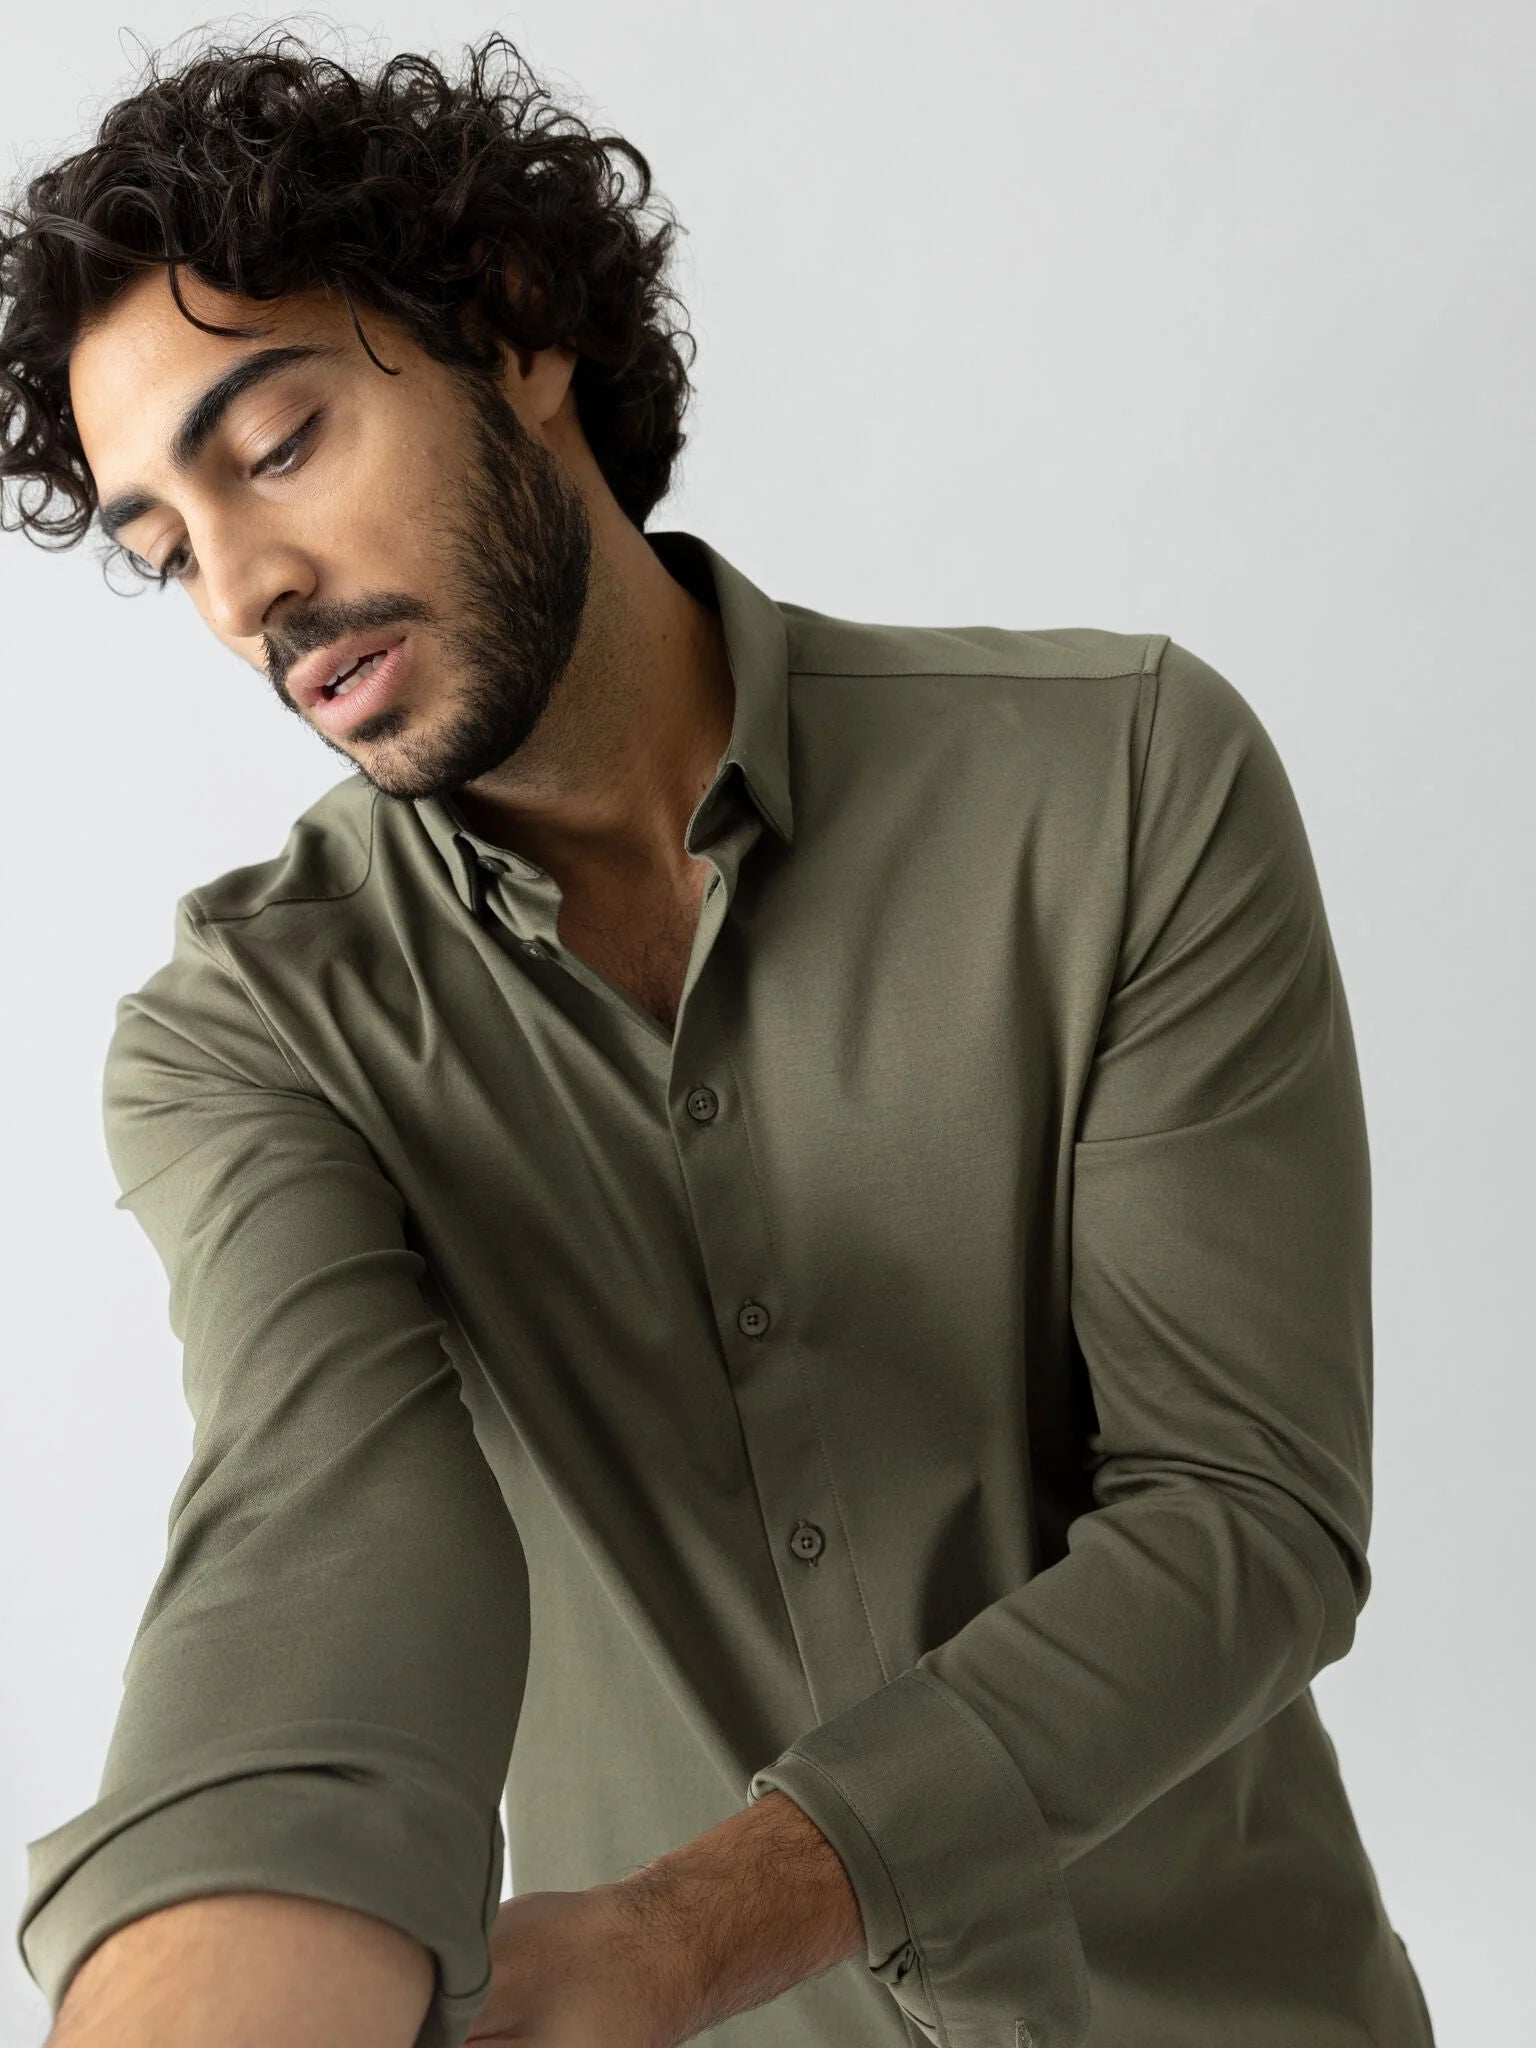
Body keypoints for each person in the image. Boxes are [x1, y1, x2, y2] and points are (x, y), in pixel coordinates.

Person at [2, 27, 1435, 2048]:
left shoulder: (1118, 785)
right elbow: (322, 1513)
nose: (247, 593)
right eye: (167, 551)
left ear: (516, 327)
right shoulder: (254, 1033)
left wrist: (697, 1927)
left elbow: (1244, 1515)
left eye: (281, 443)